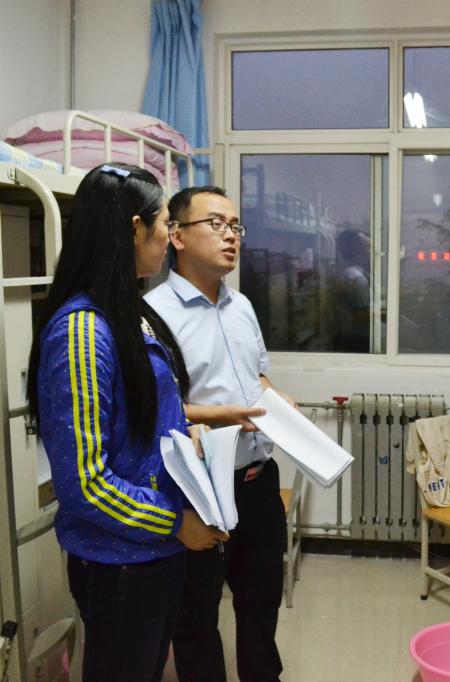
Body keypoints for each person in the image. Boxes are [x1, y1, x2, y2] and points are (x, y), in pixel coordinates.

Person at [26, 164, 227, 682]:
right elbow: (86, 484)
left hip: (152, 555)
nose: (169, 237)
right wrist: (175, 523)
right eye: (164, 224)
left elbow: (141, 415)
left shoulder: (128, 314)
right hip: (120, 563)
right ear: (136, 228)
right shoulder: (82, 333)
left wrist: (185, 434)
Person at [145, 185, 295, 682]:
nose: (231, 236)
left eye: (235, 226)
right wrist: (221, 416)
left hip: (258, 480)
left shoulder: (241, 306)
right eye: (216, 224)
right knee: (195, 617)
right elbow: (154, 410)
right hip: (201, 489)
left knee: (261, 604)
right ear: (177, 235)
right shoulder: (152, 315)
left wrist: (276, 399)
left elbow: (257, 377)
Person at [332, 228, 371, 352]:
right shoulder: (357, 278)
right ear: (357, 251)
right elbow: (362, 316)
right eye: (367, 247)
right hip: (357, 339)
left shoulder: (345, 272)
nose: (371, 251)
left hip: (344, 335)